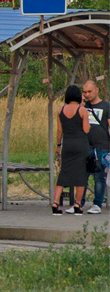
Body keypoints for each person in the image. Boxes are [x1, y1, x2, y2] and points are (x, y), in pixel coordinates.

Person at [52, 84, 90, 215]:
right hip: (80, 144)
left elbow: (59, 130)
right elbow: (86, 129)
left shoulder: (60, 110)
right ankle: (77, 205)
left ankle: (55, 202)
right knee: (80, 174)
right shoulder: (82, 110)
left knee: (64, 173)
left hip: (67, 144)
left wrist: (58, 146)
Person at [82, 80, 109, 214]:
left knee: (98, 176)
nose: (87, 95)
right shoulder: (83, 106)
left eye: (89, 92)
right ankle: (79, 202)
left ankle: (97, 203)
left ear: (97, 90)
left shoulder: (106, 106)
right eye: (85, 92)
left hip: (101, 146)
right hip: (86, 145)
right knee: (83, 175)